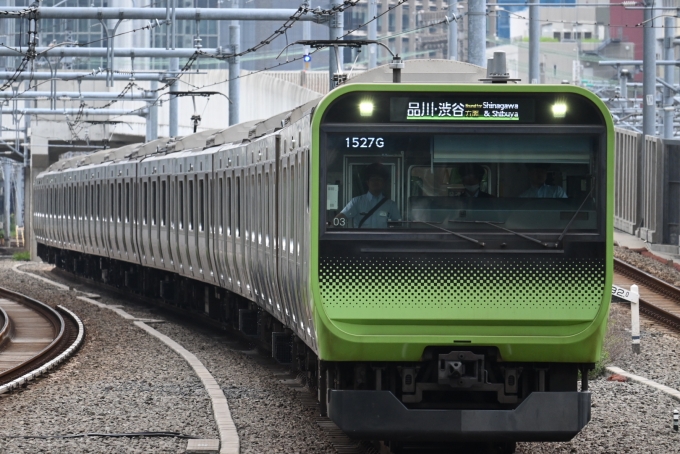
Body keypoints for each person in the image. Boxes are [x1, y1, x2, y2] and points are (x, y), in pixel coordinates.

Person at [334, 163, 401, 228]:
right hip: (361, 239)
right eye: (373, 179)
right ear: (367, 182)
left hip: (383, 239)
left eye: (379, 179)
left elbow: (398, 226)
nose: (376, 182)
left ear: (383, 183)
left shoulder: (391, 205)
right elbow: (338, 219)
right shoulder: (356, 202)